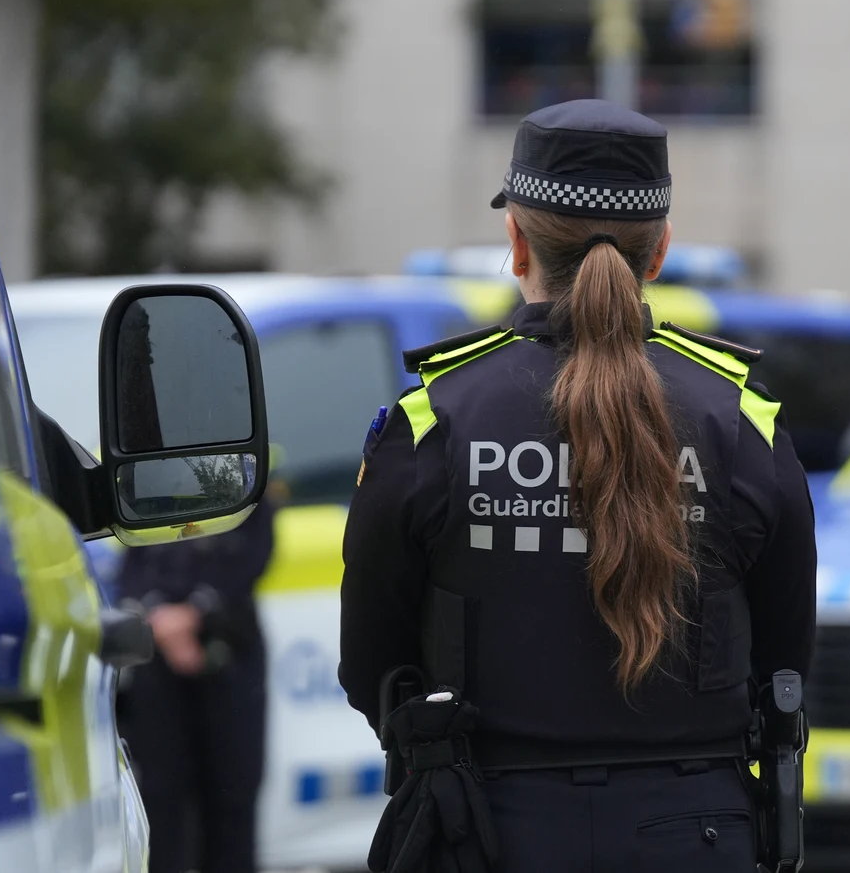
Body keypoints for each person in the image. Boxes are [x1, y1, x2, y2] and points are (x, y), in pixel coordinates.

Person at [339, 100, 817, 873]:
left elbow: (373, 666)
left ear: (517, 240)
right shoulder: (742, 423)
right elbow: (785, 661)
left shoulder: (434, 419)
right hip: (694, 835)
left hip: (485, 833)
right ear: (658, 251)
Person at [116, 496, 276, 873]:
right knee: (161, 798)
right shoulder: (143, 486)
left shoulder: (241, 479)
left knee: (232, 797)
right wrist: (160, 618)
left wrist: (194, 614)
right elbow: (131, 568)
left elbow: (253, 557)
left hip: (230, 657)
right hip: (158, 666)